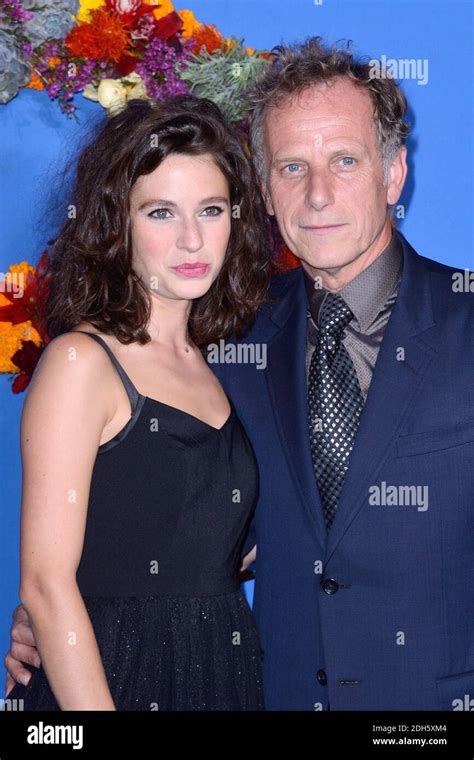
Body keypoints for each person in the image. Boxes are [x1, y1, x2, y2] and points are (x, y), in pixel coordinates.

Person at [6, 37, 474, 712]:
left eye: (344, 160)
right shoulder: (236, 337)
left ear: (394, 172)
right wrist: (60, 611)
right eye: (291, 167)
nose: (317, 194)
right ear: (265, 190)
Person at [3, 94, 272, 710]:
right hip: (110, 677)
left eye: (209, 209)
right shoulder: (81, 363)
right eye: (159, 213)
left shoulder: (226, 362)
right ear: (116, 223)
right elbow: (45, 586)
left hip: (220, 670)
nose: (190, 238)